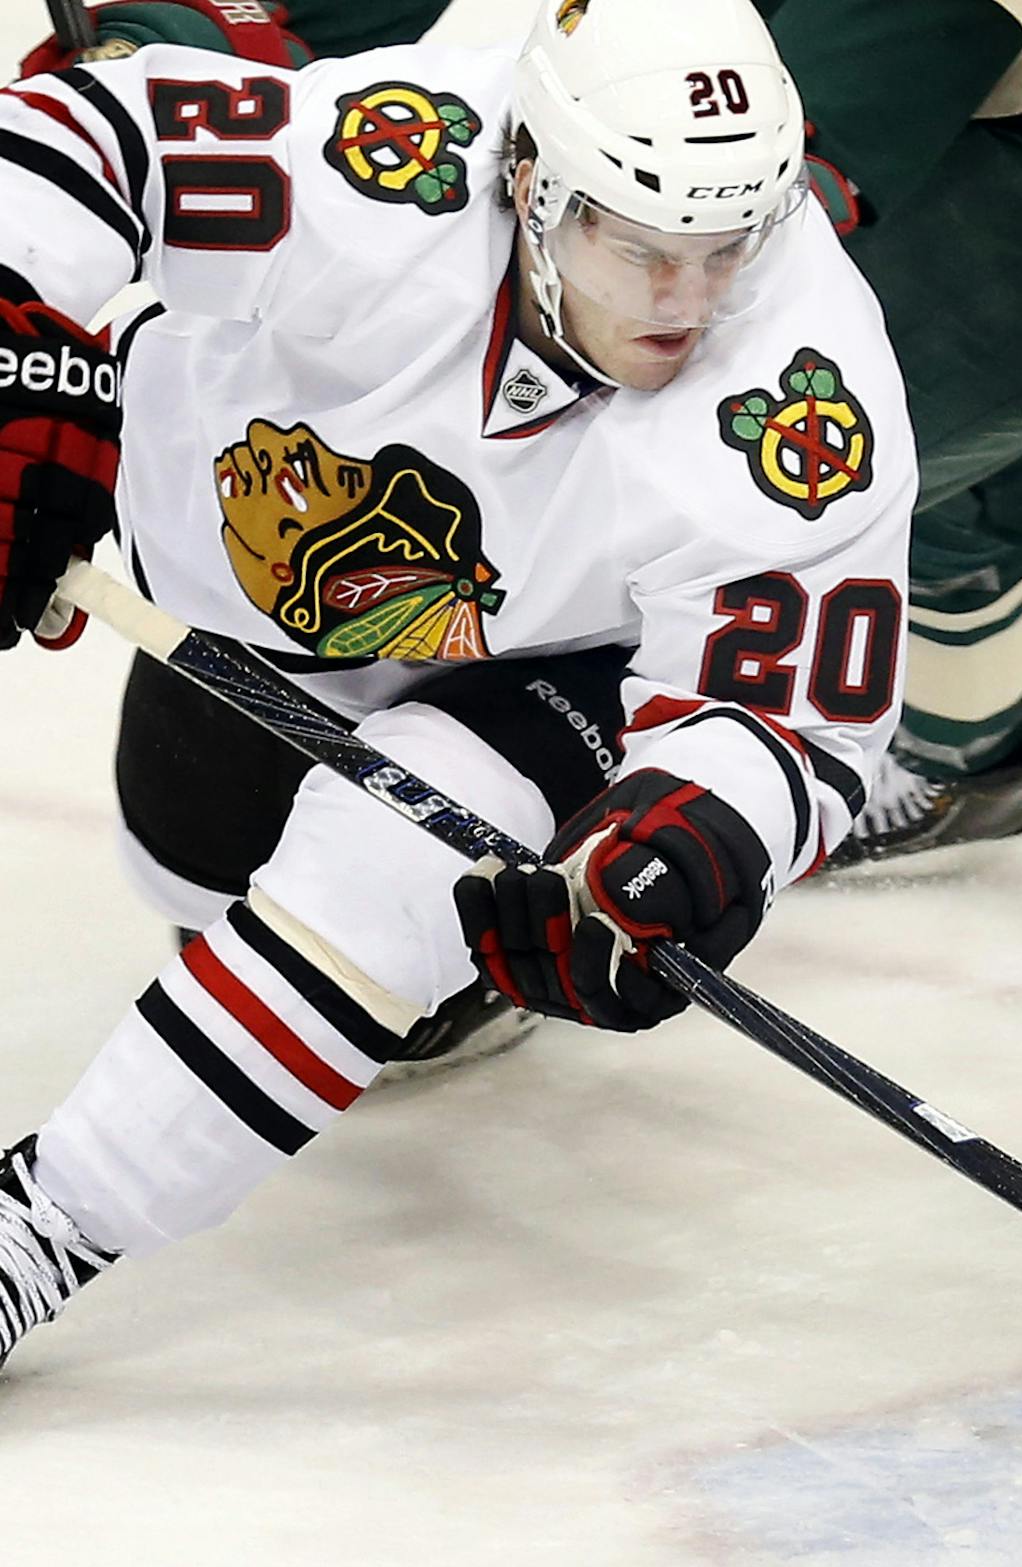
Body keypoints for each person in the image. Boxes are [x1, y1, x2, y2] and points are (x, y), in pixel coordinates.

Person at [0, 0, 913, 1358]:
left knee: (381, 870)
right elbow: (86, 130)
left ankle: (41, 1232)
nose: (690, 299)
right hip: (219, 575)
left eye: (732, 245)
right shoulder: (403, 157)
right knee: (190, 866)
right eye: (646, 245)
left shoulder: (800, 398)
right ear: (534, 183)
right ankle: (400, 980)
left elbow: (781, 720)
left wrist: (688, 839)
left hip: (550, 669)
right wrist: (15, 342)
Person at [20, 0, 1022, 871]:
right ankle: (967, 709)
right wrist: (160, 66)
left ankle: (507, 854)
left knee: (712, 451)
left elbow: (712, 272)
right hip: (975, 59)